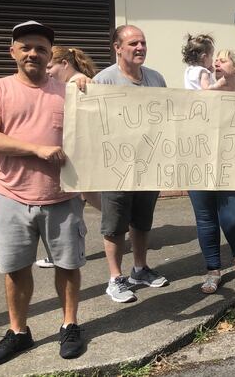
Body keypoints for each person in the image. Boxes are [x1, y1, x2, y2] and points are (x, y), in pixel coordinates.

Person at [0, 21, 87, 365]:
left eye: (40, 48)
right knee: (16, 268)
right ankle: (19, 332)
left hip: (62, 197)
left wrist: (89, 87)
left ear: (48, 54)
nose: (33, 53)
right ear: (13, 52)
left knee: (68, 266)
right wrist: (36, 149)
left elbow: (100, 126)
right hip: (11, 196)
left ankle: (69, 325)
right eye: (25, 47)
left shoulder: (68, 91)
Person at [92, 25, 169, 303]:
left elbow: (167, 118)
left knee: (142, 221)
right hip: (116, 169)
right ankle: (116, 279)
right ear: (117, 47)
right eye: (133, 43)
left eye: (143, 43)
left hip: (148, 166)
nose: (140, 48)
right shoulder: (103, 81)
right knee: (114, 225)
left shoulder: (156, 79)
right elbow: (92, 125)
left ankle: (139, 269)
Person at [185, 47, 235, 293]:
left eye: (222, 60)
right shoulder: (201, 93)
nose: (216, 63)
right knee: (205, 220)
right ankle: (213, 269)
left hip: (234, 167)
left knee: (233, 218)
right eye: (215, 60)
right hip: (199, 166)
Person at [35, 46, 100, 269]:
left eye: (50, 66)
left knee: (72, 203)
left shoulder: (77, 84)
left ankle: (63, 253)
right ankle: (124, 223)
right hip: (76, 153)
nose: (47, 71)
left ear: (64, 64)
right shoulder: (71, 83)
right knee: (83, 199)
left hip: (76, 154)